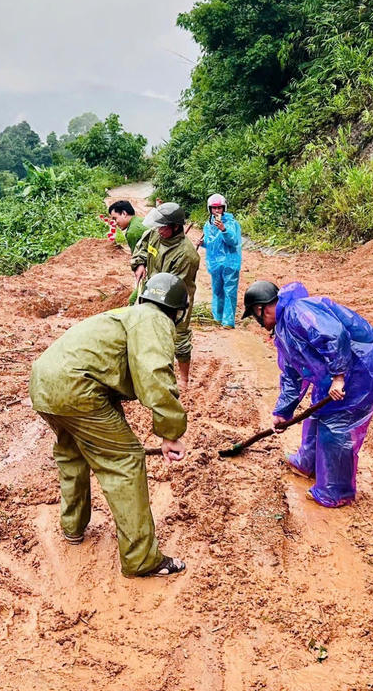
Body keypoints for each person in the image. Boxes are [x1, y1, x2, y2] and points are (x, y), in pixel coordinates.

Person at [29, 272, 190, 577]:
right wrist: (171, 432)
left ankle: (72, 527)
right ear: (178, 311)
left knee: (73, 452)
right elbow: (154, 376)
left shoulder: (125, 315)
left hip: (44, 383)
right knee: (124, 460)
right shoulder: (154, 319)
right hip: (78, 388)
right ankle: (141, 560)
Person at [241, 280, 373, 507]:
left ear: (261, 309)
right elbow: (292, 375)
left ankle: (335, 492)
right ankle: (307, 463)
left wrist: (339, 376)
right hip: (333, 375)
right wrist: (282, 412)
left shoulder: (298, 312)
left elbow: (334, 336)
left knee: (336, 425)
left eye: (255, 316)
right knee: (317, 413)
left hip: (358, 370)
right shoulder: (284, 329)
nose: (258, 323)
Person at [130, 202, 199, 387]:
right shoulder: (155, 234)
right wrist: (140, 263)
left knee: (179, 336)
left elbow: (176, 287)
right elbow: (142, 248)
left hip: (176, 297)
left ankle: (184, 380)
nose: (159, 230)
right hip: (151, 290)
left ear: (175, 227)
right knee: (147, 329)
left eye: (163, 227)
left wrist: (161, 310)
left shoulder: (186, 255)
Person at [199, 194, 242, 328]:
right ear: (210, 209)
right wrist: (203, 243)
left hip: (230, 262)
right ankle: (217, 318)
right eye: (214, 208)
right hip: (215, 264)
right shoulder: (208, 225)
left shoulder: (231, 223)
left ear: (224, 208)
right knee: (217, 290)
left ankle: (228, 321)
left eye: (219, 208)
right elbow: (211, 244)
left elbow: (234, 241)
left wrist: (224, 229)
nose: (217, 211)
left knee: (229, 291)